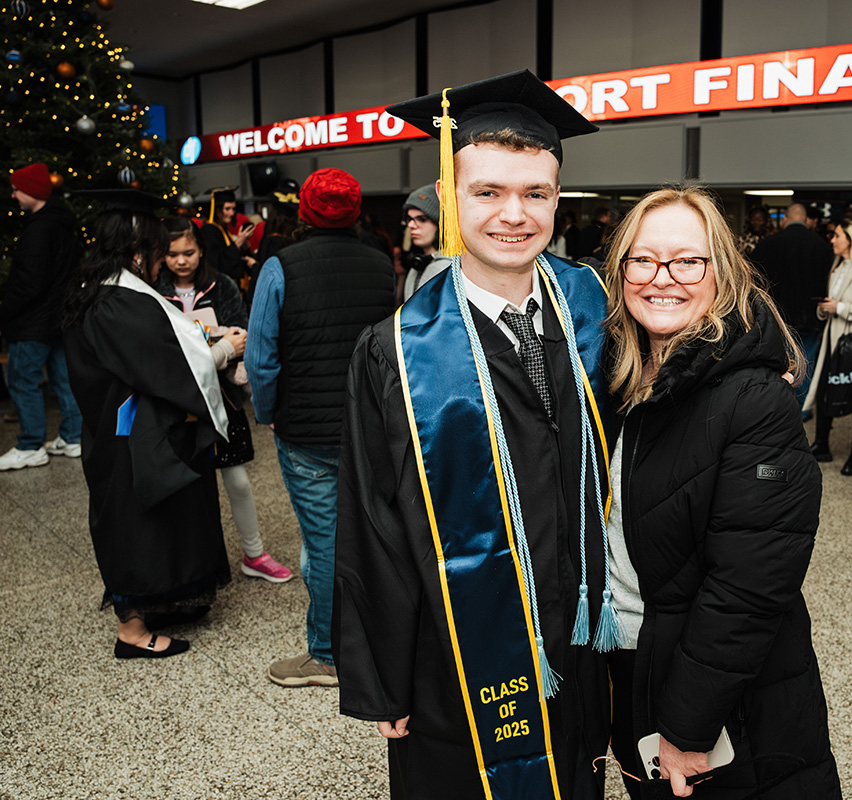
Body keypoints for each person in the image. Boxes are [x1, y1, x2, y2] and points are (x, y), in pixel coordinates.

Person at [334, 70, 612, 800]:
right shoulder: (394, 352)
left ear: (558, 199)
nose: (513, 214)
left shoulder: (599, 313)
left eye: (536, 193)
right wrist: (381, 676)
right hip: (454, 654)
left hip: (584, 637)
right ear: (450, 201)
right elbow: (371, 519)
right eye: (487, 192)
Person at [604, 186, 841, 799]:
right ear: (621, 270)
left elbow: (748, 588)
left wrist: (687, 725)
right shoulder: (622, 377)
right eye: (643, 259)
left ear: (722, 275)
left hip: (710, 688)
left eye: (688, 261)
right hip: (633, 656)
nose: (663, 278)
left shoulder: (753, 400)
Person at [246, 168, 394, 687]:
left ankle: (328, 654)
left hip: (307, 432)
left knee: (325, 541)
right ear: (354, 212)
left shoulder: (280, 266)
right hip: (367, 425)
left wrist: (267, 412)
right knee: (367, 533)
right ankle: (376, 635)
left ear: (304, 212)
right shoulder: (381, 265)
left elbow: (262, 357)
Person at [62, 206, 231, 658]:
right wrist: (221, 351)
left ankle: (157, 602)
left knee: (151, 521)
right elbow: (164, 365)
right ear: (137, 252)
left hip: (116, 430)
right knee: (136, 525)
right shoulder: (120, 303)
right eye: (157, 250)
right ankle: (132, 632)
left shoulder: (99, 290)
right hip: (129, 436)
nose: (162, 259)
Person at [155, 217, 294, 583]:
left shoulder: (223, 286)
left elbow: (241, 334)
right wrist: (216, 343)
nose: (181, 261)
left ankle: (254, 553)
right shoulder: (154, 291)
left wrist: (215, 346)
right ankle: (186, 560)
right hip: (176, 402)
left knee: (238, 481)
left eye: (188, 252)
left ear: (201, 251)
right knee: (184, 485)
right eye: (172, 254)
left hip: (223, 399)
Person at [0, 162, 83, 471]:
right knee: (63, 379)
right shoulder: (63, 225)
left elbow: (28, 283)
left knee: (23, 381)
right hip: (58, 319)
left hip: (32, 323)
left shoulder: (37, 229)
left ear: (32, 192)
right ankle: (74, 437)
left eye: (17, 189)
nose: (13, 195)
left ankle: (30, 445)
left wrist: (5, 311)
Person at [804, 219, 852, 475]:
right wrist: (825, 309)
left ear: (851, 238)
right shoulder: (837, 267)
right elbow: (830, 302)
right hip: (833, 338)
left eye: (836, 236)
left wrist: (840, 308)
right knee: (826, 386)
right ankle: (822, 444)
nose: (832, 240)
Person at [749, 202, 833, 406]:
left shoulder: (767, 245)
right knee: (806, 362)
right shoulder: (822, 247)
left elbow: (753, 281)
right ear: (806, 221)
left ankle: (779, 406)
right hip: (810, 316)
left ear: (785, 219)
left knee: (777, 363)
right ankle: (802, 408)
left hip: (775, 317)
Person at [398, 183, 451, 301]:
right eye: (409, 219)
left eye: (422, 219)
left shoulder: (448, 268)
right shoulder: (417, 265)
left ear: (441, 225)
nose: (411, 225)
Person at [198, 187, 258, 289]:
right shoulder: (209, 230)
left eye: (234, 209)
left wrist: (243, 245)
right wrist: (238, 242)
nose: (232, 213)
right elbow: (217, 263)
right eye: (227, 209)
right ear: (217, 210)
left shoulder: (223, 229)